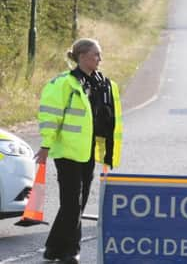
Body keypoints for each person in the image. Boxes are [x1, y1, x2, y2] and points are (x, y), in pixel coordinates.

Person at [35, 38, 123, 264]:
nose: (100, 59)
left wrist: (108, 152)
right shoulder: (63, 84)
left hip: (88, 152)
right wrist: (46, 145)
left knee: (78, 204)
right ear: (82, 56)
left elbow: (108, 120)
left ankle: (53, 248)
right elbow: (50, 116)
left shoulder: (103, 84)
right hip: (67, 152)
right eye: (96, 55)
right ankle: (70, 251)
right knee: (72, 203)